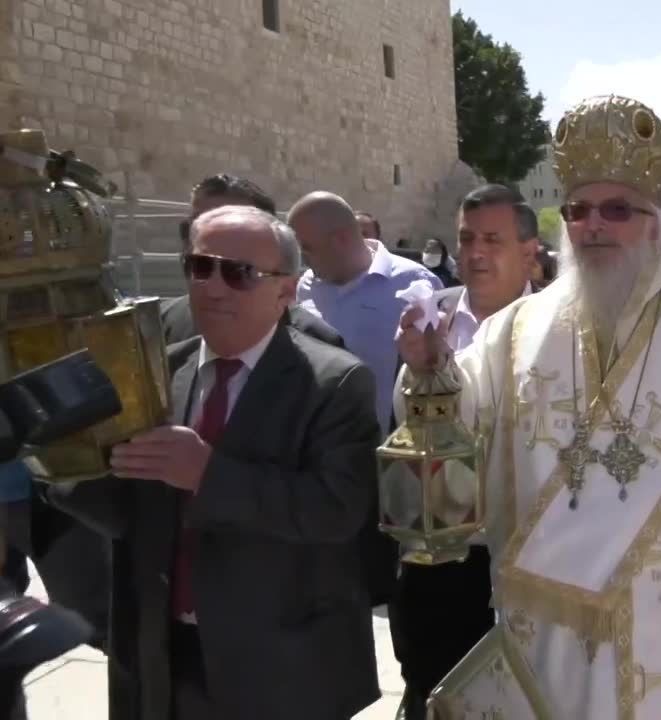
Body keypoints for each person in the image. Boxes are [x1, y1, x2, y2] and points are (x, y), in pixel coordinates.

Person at [393, 95, 661, 719]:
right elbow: (459, 421)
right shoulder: (514, 331)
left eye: (617, 209)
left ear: (655, 219)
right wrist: (428, 372)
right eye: (579, 209)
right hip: (543, 627)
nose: (594, 224)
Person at [52, 206, 383, 720]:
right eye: (200, 267)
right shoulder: (158, 372)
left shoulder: (335, 382)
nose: (213, 287)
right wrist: (54, 455)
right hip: (167, 661)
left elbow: (336, 510)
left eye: (240, 273)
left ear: (287, 291)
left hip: (281, 668)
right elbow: (123, 508)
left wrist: (208, 473)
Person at [389, 184, 537, 720]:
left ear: (529, 252)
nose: (475, 252)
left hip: (524, 558)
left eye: (492, 240)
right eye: (466, 238)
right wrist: (418, 368)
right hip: (441, 560)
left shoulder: (562, 329)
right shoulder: (431, 315)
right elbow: (404, 430)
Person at [288, 191, 440, 433]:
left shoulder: (414, 283)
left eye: (306, 248)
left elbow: (440, 367)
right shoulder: (305, 286)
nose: (302, 259)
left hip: (391, 452)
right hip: (317, 449)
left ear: (340, 239)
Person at [160, 174, 343, 347]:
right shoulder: (160, 325)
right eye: (192, 229)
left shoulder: (319, 347)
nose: (202, 241)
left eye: (229, 231)